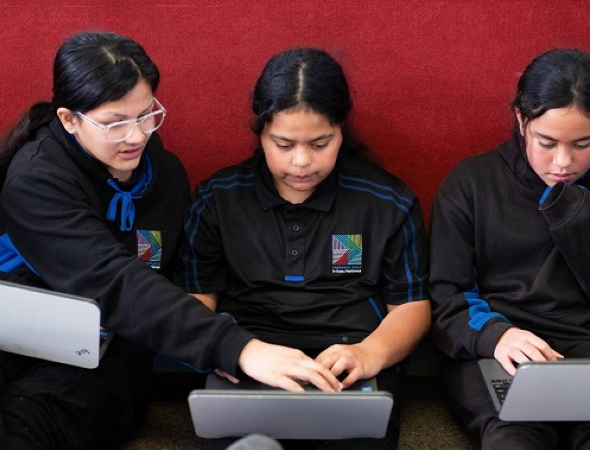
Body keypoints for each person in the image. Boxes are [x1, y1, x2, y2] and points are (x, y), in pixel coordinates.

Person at [0, 31, 341, 449]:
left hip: (108, 346)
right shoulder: (37, 179)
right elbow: (112, 279)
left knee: (32, 419)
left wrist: (212, 349)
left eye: (145, 114)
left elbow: (159, 288)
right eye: (115, 123)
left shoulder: (166, 177)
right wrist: (235, 347)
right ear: (69, 120)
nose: (136, 136)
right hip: (12, 324)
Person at [181, 48, 431, 449]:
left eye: (320, 143)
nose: (301, 162)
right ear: (260, 132)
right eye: (283, 144)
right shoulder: (217, 199)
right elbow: (198, 299)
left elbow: (412, 306)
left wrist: (370, 354)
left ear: (341, 131)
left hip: (351, 359)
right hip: (252, 354)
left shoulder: (388, 201)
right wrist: (225, 350)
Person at [428, 48, 590, 449]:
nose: (563, 162)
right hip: (503, 347)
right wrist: (497, 335)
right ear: (520, 120)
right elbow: (447, 297)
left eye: (584, 143)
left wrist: (581, 224)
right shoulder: (471, 184)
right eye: (545, 142)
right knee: (514, 437)